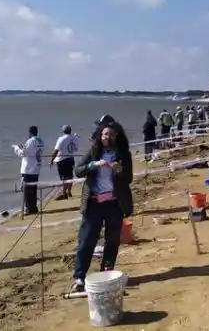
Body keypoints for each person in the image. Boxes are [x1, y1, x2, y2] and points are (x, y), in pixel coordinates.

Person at [71, 122, 134, 292]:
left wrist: (119, 169)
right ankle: (79, 276)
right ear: (100, 136)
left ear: (116, 137)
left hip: (114, 204)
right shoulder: (93, 152)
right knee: (86, 240)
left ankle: (107, 271)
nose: (108, 137)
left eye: (112, 134)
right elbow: (78, 171)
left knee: (112, 240)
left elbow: (128, 178)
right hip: (93, 204)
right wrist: (92, 165)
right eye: (105, 134)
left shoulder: (123, 154)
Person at [12, 126, 44, 214]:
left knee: (27, 190)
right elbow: (31, 150)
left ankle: (29, 209)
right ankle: (33, 207)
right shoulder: (40, 140)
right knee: (33, 189)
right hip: (36, 168)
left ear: (30, 133)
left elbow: (23, 153)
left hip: (28, 169)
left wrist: (16, 148)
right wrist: (23, 147)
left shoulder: (31, 140)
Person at [50, 125, 79, 200]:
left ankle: (63, 193)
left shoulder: (61, 139)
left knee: (63, 178)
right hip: (70, 159)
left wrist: (51, 160)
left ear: (63, 131)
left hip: (62, 160)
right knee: (70, 176)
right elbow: (76, 149)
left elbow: (56, 150)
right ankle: (69, 191)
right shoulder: (73, 138)